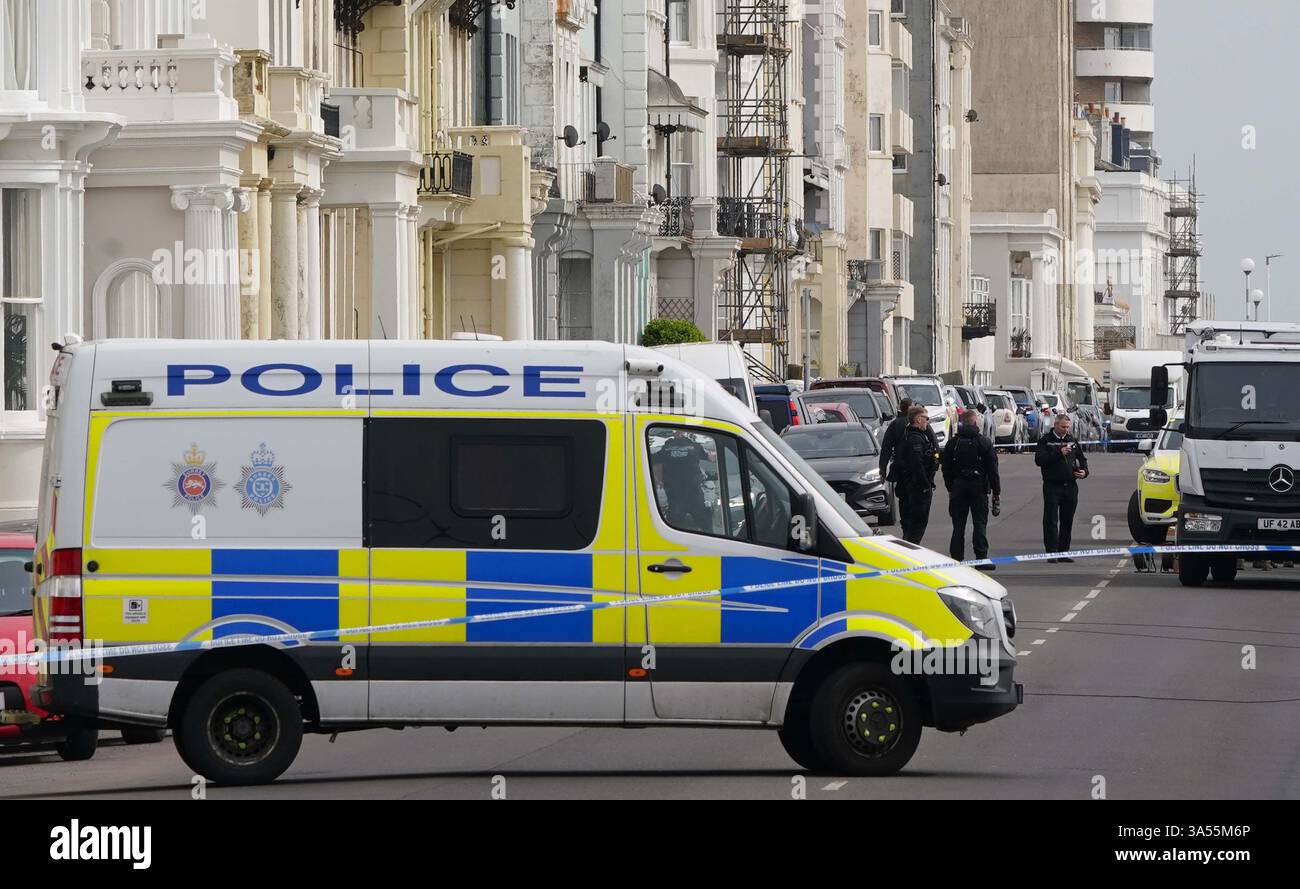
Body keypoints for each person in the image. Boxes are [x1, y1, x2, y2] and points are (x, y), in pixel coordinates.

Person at [942, 408, 1001, 570]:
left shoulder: (953, 443)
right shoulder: (984, 442)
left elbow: (945, 468)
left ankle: (956, 560)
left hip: (958, 487)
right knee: (980, 523)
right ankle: (981, 559)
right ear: (975, 423)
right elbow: (993, 470)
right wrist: (996, 492)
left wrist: (950, 487)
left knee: (958, 525)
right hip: (979, 488)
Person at [1035, 412, 1089, 562]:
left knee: (1067, 520)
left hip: (1070, 486)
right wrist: (1059, 452)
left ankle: (1063, 552)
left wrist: (1084, 472)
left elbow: (1082, 460)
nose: (1066, 429)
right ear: (1056, 425)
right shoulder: (1046, 441)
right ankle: (1051, 553)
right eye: (1063, 427)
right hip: (1052, 485)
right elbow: (1039, 460)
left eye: (1068, 427)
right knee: (1051, 519)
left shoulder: (1072, 440)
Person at [894, 406, 940, 544]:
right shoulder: (915, 439)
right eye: (926, 419)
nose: (928, 422)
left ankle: (908, 547)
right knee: (918, 523)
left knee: (912, 524)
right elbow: (917, 465)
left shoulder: (914, 435)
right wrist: (925, 485)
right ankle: (911, 552)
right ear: (918, 419)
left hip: (911, 486)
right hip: (917, 487)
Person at [651, 428, 711, 533]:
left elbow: (650, 461)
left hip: (676, 497)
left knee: (673, 530)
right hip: (692, 496)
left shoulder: (665, 450)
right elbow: (711, 457)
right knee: (707, 529)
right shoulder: (695, 446)